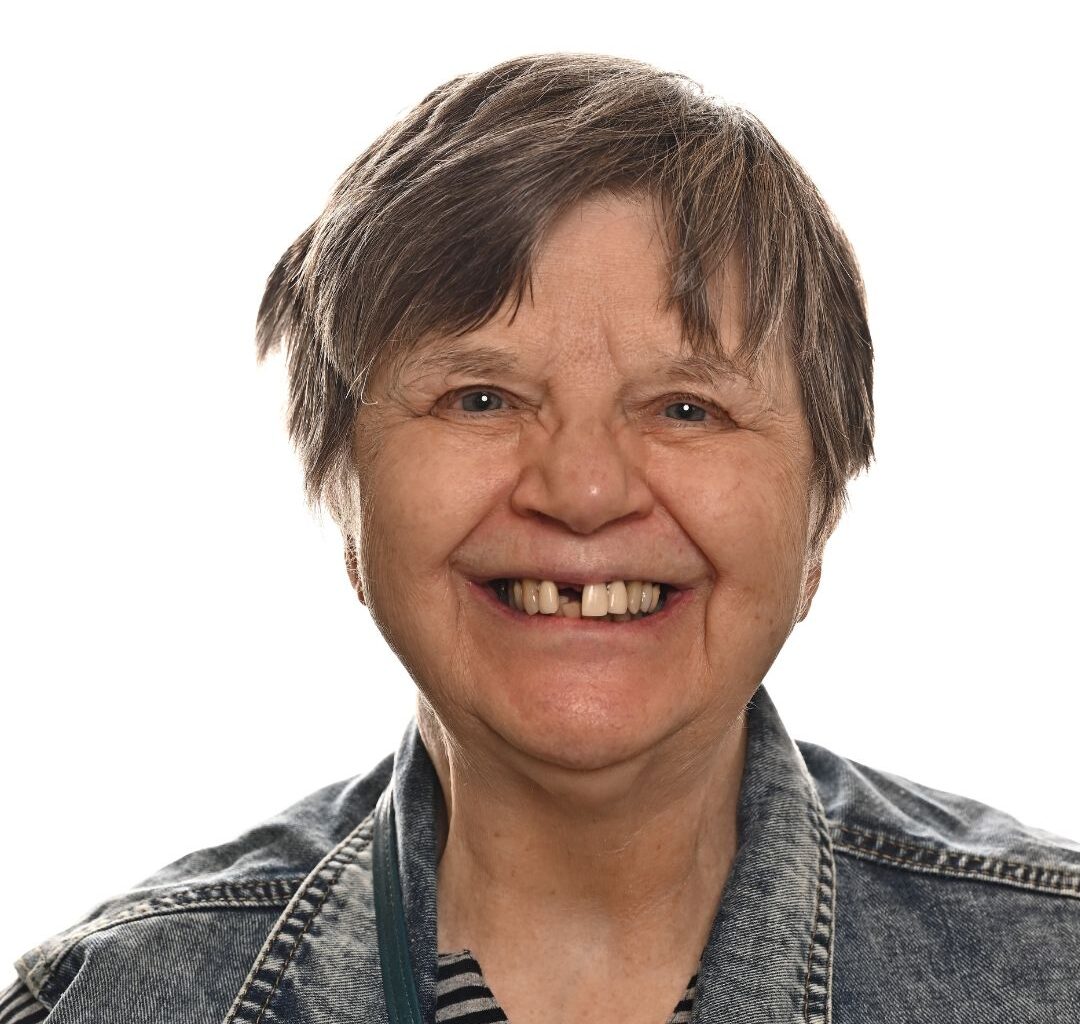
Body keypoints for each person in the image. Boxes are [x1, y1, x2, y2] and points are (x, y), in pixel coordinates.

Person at [3, 52, 1077, 1024]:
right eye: (481, 398)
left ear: (821, 513)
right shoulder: (109, 1001)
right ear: (344, 489)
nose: (585, 489)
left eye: (687, 408)